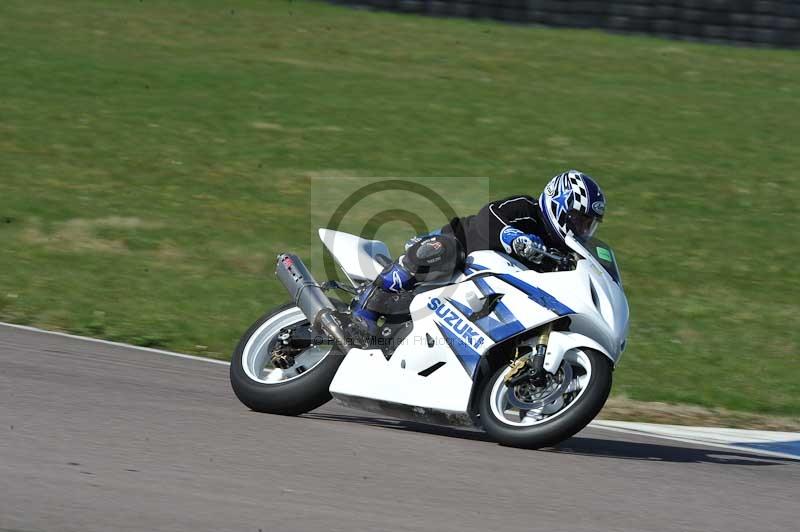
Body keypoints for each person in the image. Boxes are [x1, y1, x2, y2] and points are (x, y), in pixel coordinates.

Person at [352, 170, 606, 335]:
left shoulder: (559, 254)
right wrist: (512, 236)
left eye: (588, 225)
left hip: (477, 288)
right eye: (578, 219)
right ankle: (364, 310)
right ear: (558, 204)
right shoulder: (527, 208)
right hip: (452, 246)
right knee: (447, 251)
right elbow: (490, 215)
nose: (581, 229)